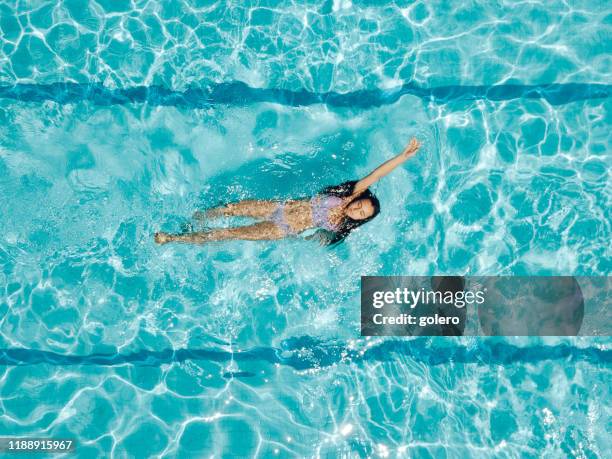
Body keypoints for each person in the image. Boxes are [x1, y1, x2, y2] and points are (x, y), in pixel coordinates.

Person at [154, 137, 421, 246]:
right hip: (278, 207)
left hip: (281, 229)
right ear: (359, 198)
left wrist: (312, 240)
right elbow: (376, 174)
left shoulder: (340, 227)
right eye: (362, 205)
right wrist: (403, 156)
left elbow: (319, 241)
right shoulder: (347, 195)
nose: (358, 210)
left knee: (228, 233)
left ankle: (173, 238)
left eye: (362, 215)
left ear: (360, 220)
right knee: (229, 209)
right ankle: (195, 218)